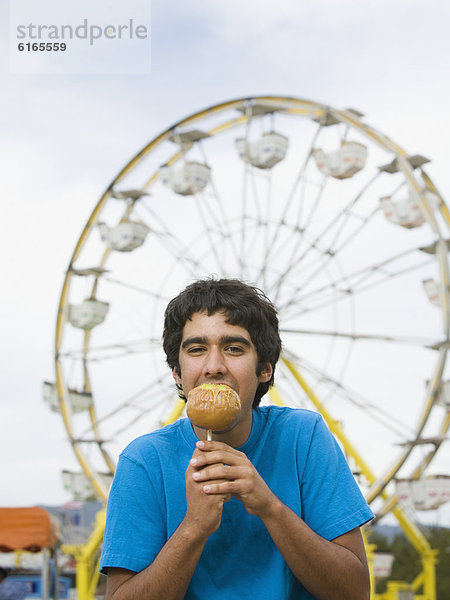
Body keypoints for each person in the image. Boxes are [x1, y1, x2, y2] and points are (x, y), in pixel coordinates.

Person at [100, 278, 374, 600]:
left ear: (265, 369)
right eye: (197, 350)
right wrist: (193, 528)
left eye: (233, 349)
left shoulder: (304, 437)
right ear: (177, 371)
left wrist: (268, 505)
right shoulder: (144, 460)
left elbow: (355, 593)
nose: (214, 367)